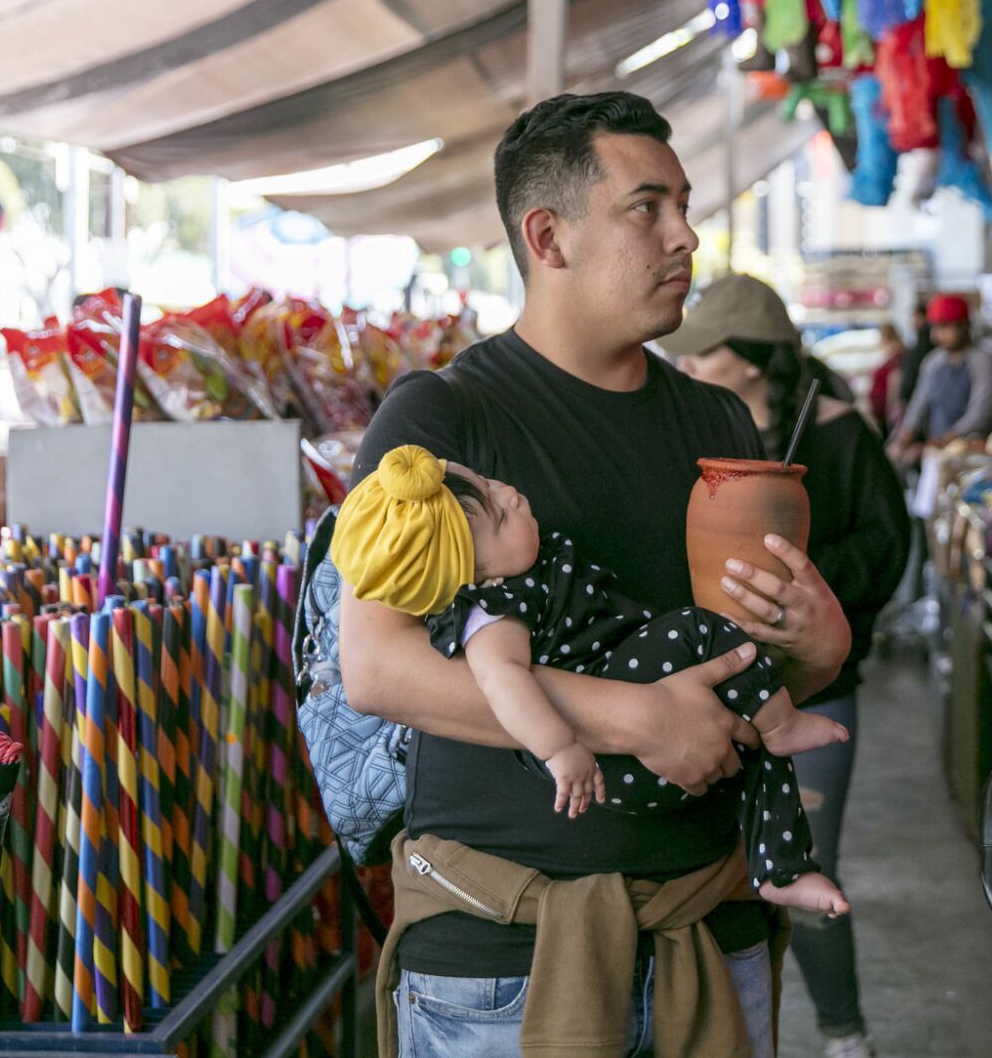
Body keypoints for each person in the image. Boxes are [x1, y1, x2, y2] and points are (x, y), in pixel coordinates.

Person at [337, 93, 851, 1058]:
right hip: (501, 953)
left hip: (708, 922)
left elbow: (741, 674)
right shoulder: (440, 426)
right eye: (646, 208)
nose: (685, 236)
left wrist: (819, 651)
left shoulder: (719, 427)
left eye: (685, 206)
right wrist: (634, 716)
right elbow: (378, 669)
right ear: (548, 236)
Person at [332, 446, 850, 909]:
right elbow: (503, 683)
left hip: (648, 731)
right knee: (696, 632)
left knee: (751, 738)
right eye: (498, 512)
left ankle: (783, 868)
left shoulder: (515, 573)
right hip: (616, 759)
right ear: (474, 572)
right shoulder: (492, 614)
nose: (510, 494)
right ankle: (782, 729)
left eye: (491, 485)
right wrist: (560, 748)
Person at [663, 274, 911, 1058]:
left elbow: (889, 543)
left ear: (746, 357)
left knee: (803, 863)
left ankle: (842, 1031)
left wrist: (808, 591)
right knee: (708, 868)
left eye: (703, 349)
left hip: (818, 689)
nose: (690, 362)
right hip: (708, 688)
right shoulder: (697, 434)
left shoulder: (836, 430)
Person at [888, 294, 992, 459]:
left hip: (975, 454)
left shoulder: (982, 362)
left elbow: (981, 413)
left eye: (944, 327)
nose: (936, 336)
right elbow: (918, 405)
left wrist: (943, 441)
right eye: (934, 328)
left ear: (964, 326)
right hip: (939, 452)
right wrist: (902, 441)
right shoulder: (933, 362)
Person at [866, 322, 907, 436]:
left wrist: (892, 408)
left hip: (889, 409)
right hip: (884, 409)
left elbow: (895, 382)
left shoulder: (895, 354)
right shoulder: (892, 353)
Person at [897, 298, 933, 409]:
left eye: (913, 317)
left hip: (918, 400)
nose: (911, 322)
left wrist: (904, 396)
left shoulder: (925, 342)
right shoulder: (920, 341)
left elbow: (913, 371)